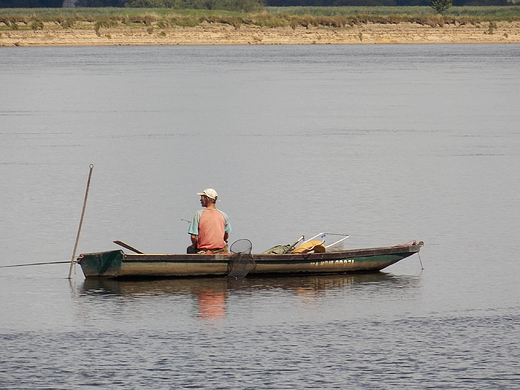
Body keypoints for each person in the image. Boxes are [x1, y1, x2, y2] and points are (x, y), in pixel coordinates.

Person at [187, 188, 231, 254]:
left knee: (189, 249)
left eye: (202, 197)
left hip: (204, 250)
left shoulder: (198, 214)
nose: (200, 200)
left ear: (207, 198)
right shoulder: (224, 215)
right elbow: (226, 235)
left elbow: (193, 236)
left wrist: (195, 245)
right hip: (220, 249)